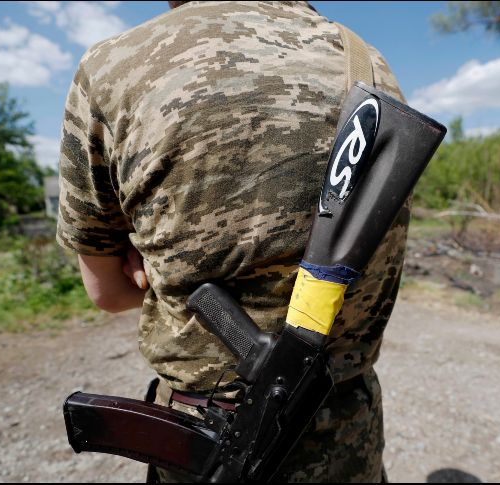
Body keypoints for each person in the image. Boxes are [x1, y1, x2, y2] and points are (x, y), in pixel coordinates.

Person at [56, 1, 409, 482]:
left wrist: (155, 258)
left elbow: (108, 293)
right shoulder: (366, 61)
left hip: (207, 431)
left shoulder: (114, 66)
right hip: (349, 437)